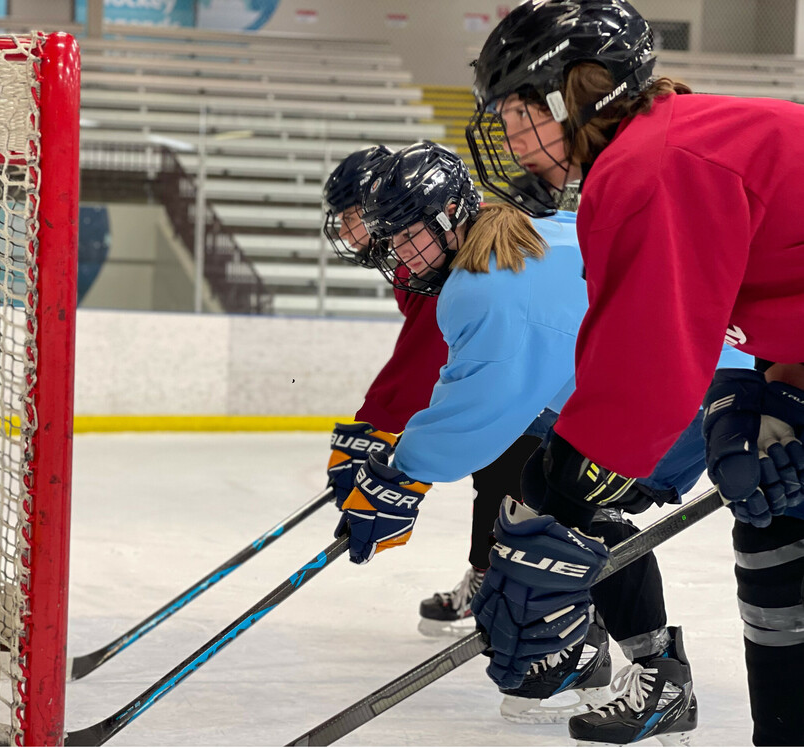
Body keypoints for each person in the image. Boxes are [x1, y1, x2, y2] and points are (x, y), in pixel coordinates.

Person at [466, 1, 804, 745]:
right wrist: (772, 390)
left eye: (520, 114)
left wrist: (560, 510)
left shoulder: (653, 164)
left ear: (574, 92)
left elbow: (646, 369)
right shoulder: (673, 144)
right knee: (776, 524)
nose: (512, 139)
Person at [334, 140, 752, 730]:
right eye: (395, 241)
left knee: (565, 499)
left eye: (411, 236)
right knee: (551, 485)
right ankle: (622, 660)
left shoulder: (482, 284)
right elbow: (501, 387)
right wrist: (405, 463)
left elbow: (479, 410)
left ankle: (644, 671)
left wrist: (402, 475)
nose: (402, 255)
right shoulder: (526, 235)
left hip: (685, 393)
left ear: (452, 217)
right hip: (688, 373)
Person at [320, 146, 539, 654]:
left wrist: (381, 434)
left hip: (543, 387)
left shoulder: (448, 259)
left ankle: (514, 587)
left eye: (353, 216)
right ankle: (493, 575)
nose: (349, 229)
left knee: (515, 473)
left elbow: (425, 361)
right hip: (524, 383)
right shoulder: (415, 259)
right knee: (499, 471)